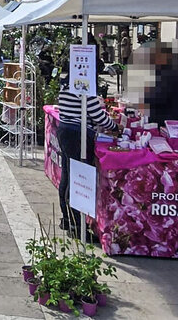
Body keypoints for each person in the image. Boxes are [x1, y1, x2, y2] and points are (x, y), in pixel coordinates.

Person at [56, 65, 117, 239]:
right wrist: (115, 126)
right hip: (78, 135)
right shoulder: (83, 88)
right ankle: (77, 225)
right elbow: (97, 115)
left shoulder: (65, 87)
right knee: (79, 179)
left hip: (66, 131)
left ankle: (68, 219)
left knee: (68, 175)